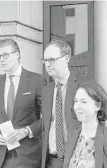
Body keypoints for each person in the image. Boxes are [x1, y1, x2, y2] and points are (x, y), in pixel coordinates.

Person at [0, 39, 44, 168]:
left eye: (5, 55)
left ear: (17, 54)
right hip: (3, 154)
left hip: (29, 154)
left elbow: (49, 118)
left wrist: (27, 131)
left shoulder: (37, 80)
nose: (1, 60)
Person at [41, 40, 86, 168]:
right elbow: (46, 124)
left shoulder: (84, 86)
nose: (48, 65)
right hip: (51, 161)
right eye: (45, 61)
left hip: (77, 161)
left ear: (66, 58)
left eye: (52, 60)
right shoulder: (47, 91)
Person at [63, 80, 107, 168]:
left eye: (83, 102)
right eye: (76, 101)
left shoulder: (105, 138)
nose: (77, 107)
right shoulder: (73, 134)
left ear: (98, 106)